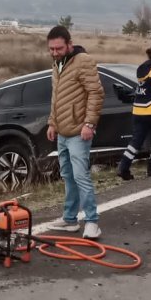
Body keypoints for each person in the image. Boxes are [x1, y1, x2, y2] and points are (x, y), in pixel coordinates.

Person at [45, 25, 104, 239]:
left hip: (79, 131)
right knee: (67, 175)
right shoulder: (57, 64)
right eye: (51, 49)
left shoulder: (83, 61)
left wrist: (89, 124)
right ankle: (70, 220)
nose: (54, 52)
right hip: (62, 131)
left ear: (69, 44)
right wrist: (52, 123)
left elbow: (96, 93)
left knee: (81, 176)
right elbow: (56, 97)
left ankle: (92, 221)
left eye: (58, 48)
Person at [117, 42, 151, 180]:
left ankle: (123, 167)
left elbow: (147, 86)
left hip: (138, 110)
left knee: (137, 141)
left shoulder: (142, 68)